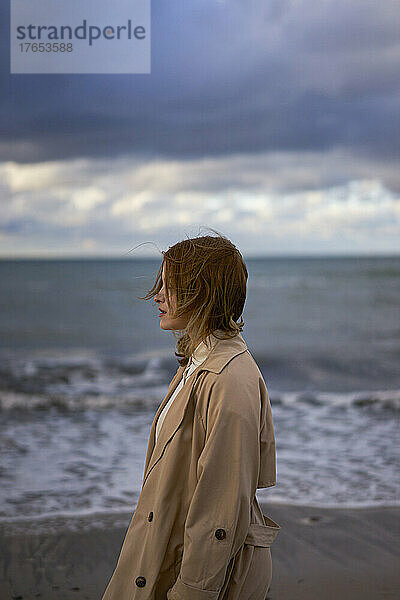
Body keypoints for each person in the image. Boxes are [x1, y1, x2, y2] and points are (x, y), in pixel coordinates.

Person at [101, 231, 280, 600]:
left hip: (206, 579)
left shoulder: (229, 378)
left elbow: (221, 509)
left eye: (170, 286)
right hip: (167, 555)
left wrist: (191, 592)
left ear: (202, 292)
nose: (158, 296)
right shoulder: (197, 362)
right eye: (160, 284)